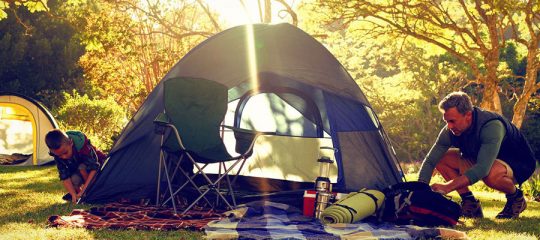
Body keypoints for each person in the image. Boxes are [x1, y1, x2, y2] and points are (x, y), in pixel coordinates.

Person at [418, 91, 536, 219]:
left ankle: (516, 198)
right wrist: (419, 188)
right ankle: (470, 204)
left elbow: (482, 169)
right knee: (442, 159)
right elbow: (431, 160)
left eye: (452, 121)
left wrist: (447, 187)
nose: (449, 126)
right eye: (446, 121)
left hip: (518, 163)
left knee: (490, 174)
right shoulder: (449, 130)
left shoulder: (492, 126)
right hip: (483, 157)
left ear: (468, 115)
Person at [45, 129, 107, 203]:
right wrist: (73, 193)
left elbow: (94, 168)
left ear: (71, 143)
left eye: (65, 153)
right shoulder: (58, 155)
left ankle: (90, 192)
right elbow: (65, 177)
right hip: (79, 170)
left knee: (82, 167)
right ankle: (80, 196)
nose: (63, 157)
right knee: (74, 180)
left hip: (100, 168)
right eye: (59, 155)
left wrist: (84, 190)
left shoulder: (84, 147)